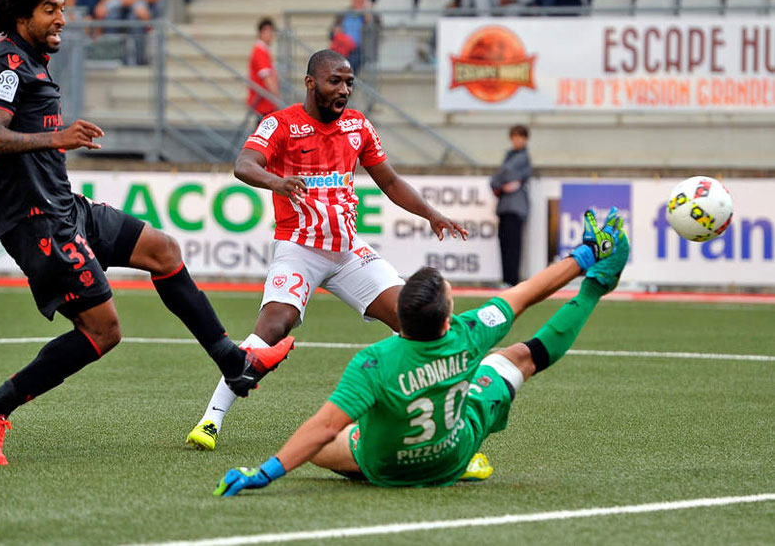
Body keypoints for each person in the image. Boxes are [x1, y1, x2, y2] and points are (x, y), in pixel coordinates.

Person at [0, 0, 292, 466]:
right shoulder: (6, 62)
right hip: (36, 221)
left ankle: (232, 361)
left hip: (63, 206)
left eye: (63, 7)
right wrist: (55, 137)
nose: (63, 18)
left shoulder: (32, 62)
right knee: (104, 330)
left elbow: (3, 146)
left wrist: (40, 161)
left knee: (163, 249)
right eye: (51, 8)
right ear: (23, 14)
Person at [214, 209, 628, 495]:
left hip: (384, 466)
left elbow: (322, 429)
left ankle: (372, 454)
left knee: (322, 441)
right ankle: (596, 289)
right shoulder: (468, 334)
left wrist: (263, 474)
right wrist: (586, 260)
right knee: (520, 358)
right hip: (451, 454)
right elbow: (524, 295)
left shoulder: (373, 362)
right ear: (447, 320)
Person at [186, 49, 470, 451]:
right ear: (310, 83)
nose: (344, 89)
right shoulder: (280, 124)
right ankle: (210, 420)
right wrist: (276, 182)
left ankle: (445, 431)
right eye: (335, 81)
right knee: (273, 325)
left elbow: (389, 181)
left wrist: (431, 213)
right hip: (299, 248)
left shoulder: (358, 126)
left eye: (349, 82)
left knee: (415, 319)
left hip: (349, 251)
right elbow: (244, 164)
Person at [490, 124, 531, 287]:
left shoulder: (523, 157)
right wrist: (500, 183)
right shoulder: (509, 156)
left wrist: (499, 181)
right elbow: (495, 180)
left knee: (514, 245)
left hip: (516, 207)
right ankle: (506, 279)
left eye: (520, 137)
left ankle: (512, 280)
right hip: (504, 207)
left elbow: (505, 172)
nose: (516, 140)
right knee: (504, 243)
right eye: (514, 137)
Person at [246, 17, 281, 126]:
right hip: (263, 101)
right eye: (268, 32)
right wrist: (276, 96)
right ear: (261, 33)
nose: (271, 35)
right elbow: (266, 76)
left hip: (264, 101)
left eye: (272, 32)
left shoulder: (263, 50)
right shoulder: (260, 51)